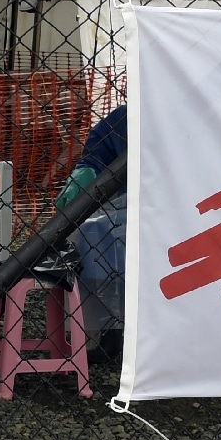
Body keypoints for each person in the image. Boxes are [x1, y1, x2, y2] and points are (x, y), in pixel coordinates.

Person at [56, 106, 129, 357]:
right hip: (126, 210)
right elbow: (96, 154)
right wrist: (83, 175)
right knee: (94, 231)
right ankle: (112, 331)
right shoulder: (124, 118)